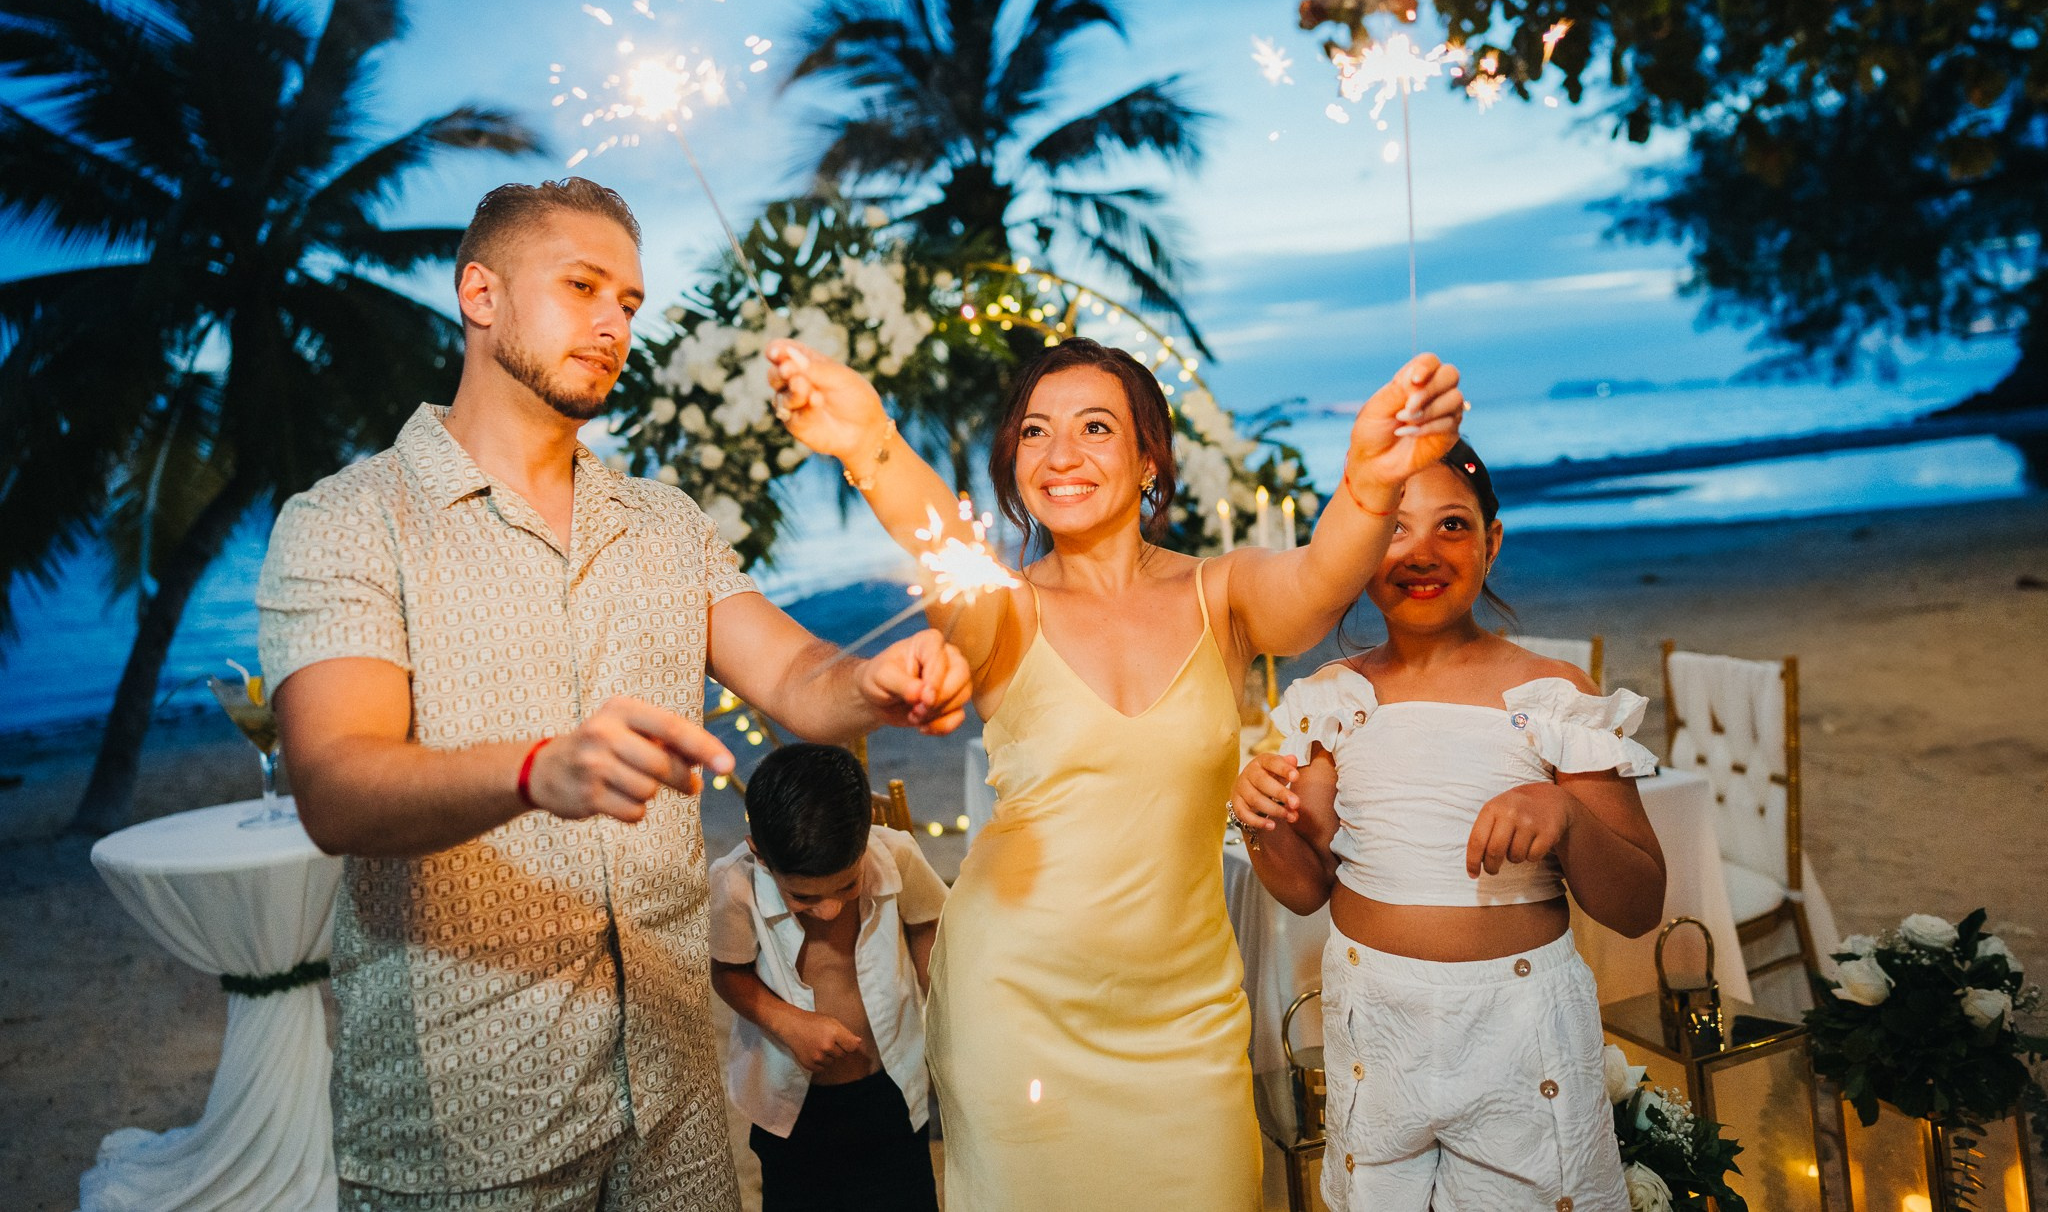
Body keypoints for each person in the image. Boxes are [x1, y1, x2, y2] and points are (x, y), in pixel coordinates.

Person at [257, 178, 972, 1212]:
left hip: (673, 1112)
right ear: (480, 293)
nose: (612, 322)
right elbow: (334, 786)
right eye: (582, 285)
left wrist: (874, 679)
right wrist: (536, 770)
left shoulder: (663, 523)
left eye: (630, 302)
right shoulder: (348, 522)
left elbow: (799, 682)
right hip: (467, 1121)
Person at [762, 334, 1465, 1210]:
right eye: (1034, 433)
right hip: (1017, 1008)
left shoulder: (1226, 593)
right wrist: (871, 441)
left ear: (1147, 461)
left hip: (1187, 1021)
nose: (1060, 456)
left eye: (1096, 427)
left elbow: (1320, 585)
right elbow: (938, 536)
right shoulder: (1002, 611)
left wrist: (1369, 480)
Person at [1230, 439, 1667, 1212]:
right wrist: (1261, 819)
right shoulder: (1334, 699)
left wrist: (1564, 813)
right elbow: (1306, 889)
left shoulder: (1553, 695)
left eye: (1452, 526)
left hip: (1518, 1032)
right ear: (1359, 550)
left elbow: (1638, 905)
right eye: (1393, 529)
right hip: (1376, 1029)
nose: (1420, 551)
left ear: (1492, 542)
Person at [708, 742, 947, 1212]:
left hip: (892, 1086)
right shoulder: (734, 886)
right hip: (796, 1108)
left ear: (865, 840)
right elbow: (728, 973)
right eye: (802, 896)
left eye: (847, 885)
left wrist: (935, 990)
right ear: (761, 855)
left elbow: (926, 921)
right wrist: (789, 1023)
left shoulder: (894, 854)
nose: (830, 908)